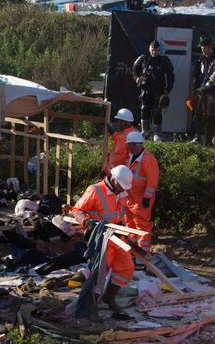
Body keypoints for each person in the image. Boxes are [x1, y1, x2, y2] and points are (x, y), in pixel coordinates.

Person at [71, 165, 134, 320]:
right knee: (99, 274)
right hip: (101, 238)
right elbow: (77, 210)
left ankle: (109, 297)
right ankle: (91, 307)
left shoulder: (121, 192)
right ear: (113, 179)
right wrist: (86, 222)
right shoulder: (95, 190)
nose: (122, 190)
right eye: (121, 186)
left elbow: (121, 214)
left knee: (126, 266)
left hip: (117, 236)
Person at [124, 131, 158, 265]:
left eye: (129, 145)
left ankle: (142, 257)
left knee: (142, 227)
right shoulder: (131, 156)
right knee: (130, 226)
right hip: (130, 199)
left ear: (135, 145)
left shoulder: (148, 159)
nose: (128, 147)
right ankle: (133, 253)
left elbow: (152, 180)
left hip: (141, 200)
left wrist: (147, 197)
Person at [133, 40, 174, 141]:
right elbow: (134, 69)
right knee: (144, 109)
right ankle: (145, 131)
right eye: (152, 50)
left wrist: (168, 89)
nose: (154, 52)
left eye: (156, 50)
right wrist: (137, 78)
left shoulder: (164, 60)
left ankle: (157, 133)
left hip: (158, 92)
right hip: (146, 91)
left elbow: (170, 75)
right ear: (149, 49)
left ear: (159, 50)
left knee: (157, 111)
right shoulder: (143, 58)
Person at [190, 38, 215, 143]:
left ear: (210, 48)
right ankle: (197, 136)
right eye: (201, 48)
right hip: (200, 90)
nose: (202, 50)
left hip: (212, 91)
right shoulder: (199, 59)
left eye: (204, 48)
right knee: (198, 113)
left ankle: (212, 137)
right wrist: (196, 87)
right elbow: (195, 74)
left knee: (211, 114)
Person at [106, 108, 135, 174]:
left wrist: (108, 172)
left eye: (119, 121)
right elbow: (119, 139)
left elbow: (117, 158)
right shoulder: (131, 132)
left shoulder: (123, 138)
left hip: (116, 172)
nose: (117, 123)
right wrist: (113, 133)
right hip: (124, 171)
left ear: (124, 122)